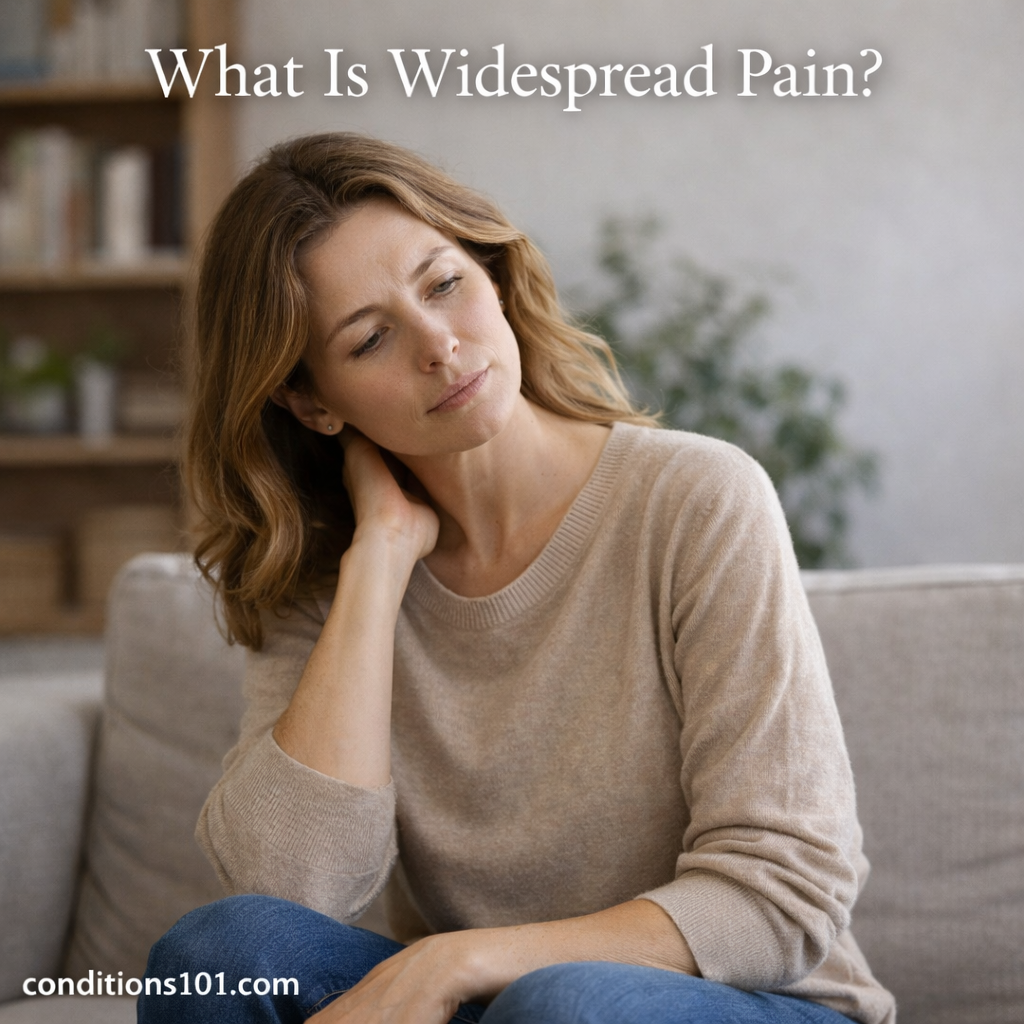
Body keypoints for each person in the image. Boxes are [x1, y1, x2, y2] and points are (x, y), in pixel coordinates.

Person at [139, 133, 895, 1024]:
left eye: (443, 284)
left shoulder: (698, 497)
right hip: (501, 1005)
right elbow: (288, 888)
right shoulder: (329, 571)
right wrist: (378, 561)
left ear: (492, 273)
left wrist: (464, 959)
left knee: (562, 1004)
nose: (439, 345)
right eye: (371, 338)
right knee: (214, 959)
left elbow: (784, 892)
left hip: (753, 1003)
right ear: (312, 401)